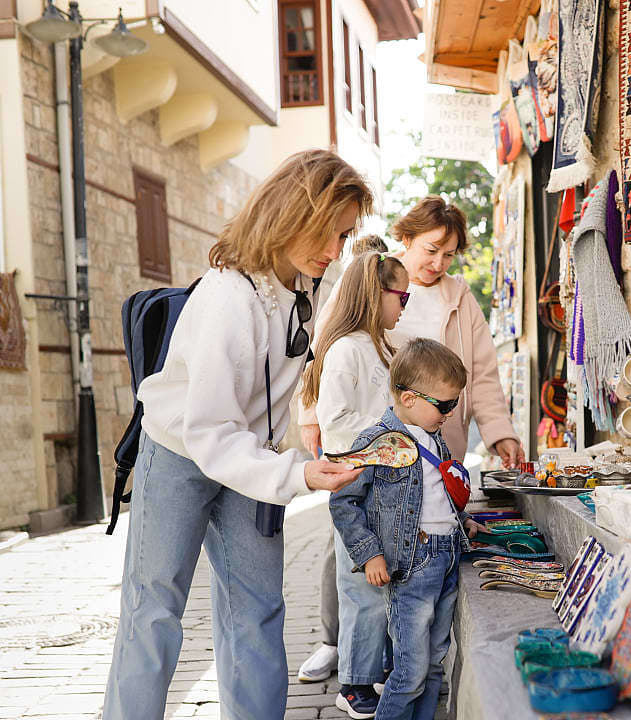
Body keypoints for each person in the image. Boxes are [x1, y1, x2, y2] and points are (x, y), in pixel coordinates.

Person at [103, 149, 369, 720]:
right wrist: (295, 473)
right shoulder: (229, 296)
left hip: (250, 457)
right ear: (288, 213)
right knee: (154, 610)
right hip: (180, 452)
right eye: (326, 232)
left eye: (344, 237)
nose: (333, 251)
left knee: (259, 609)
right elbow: (210, 431)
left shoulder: (306, 282)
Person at [297, 196, 525, 680]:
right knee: (353, 545)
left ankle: (396, 660)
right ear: (407, 238)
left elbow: (481, 374)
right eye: (432, 249)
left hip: (431, 448)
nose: (438, 263)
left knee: (413, 552)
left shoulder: (460, 298)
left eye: (449, 254)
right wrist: (311, 417)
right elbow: (321, 350)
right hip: (370, 447)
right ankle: (335, 642)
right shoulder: (372, 276)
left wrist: (499, 431)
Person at [329, 338, 485, 720]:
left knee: (433, 665)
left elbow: (436, 493)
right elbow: (343, 502)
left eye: (455, 404)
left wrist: (461, 521)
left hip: (447, 556)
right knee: (410, 671)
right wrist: (370, 553)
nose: (450, 413)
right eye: (445, 405)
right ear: (410, 397)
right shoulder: (376, 442)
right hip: (412, 564)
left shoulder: (434, 437)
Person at [297, 250, 410, 716]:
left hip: (382, 484)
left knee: (380, 585)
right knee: (360, 588)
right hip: (355, 485)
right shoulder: (345, 350)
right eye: (400, 295)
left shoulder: (380, 346)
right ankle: (353, 685)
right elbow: (336, 419)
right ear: (373, 292)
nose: (405, 303)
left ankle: (376, 670)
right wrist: (394, 427)